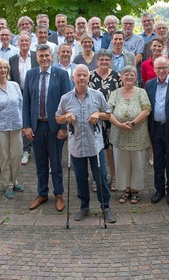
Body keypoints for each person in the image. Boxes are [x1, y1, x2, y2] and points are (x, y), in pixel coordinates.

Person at [56, 64, 116, 222]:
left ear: (88, 77)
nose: (82, 78)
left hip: (95, 145)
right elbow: (58, 117)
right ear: (73, 78)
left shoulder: (97, 95)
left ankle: (106, 206)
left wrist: (98, 113)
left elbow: (108, 114)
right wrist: (66, 116)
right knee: (81, 178)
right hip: (76, 145)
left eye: (84, 75)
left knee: (101, 177)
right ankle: (84, 206)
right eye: (79, 75)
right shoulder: (65, 98)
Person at [22, 44, 71, 211]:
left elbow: (67, 102)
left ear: (52, 57)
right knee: (40, 163)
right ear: (37, 58)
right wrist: (27, 125)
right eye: (41, 56)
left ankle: (59, 194)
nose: (44, 59)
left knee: (56, 163)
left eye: (46, 56)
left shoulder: (62, 75)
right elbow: (26, 101)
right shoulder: (30, 75)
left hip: (55, 127)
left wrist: (64, 126)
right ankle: (42, 193)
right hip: (36, 127)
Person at [107, 66, 151, 204]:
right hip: (119, 134)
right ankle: (125, 189)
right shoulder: (114, 93)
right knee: (121, 163)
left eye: (132, 75)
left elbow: (147, 110)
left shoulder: (141, 92)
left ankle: (135, 190)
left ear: (136, 77)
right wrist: (119, 125)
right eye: (126, 74)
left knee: (137, 163)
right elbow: (108, 112)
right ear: (121, 77)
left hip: (137, 134)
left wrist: (132, 123)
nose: (129, 77)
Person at [146, 57, 169, 206]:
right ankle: (159, 189)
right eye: (158, 68)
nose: (161, 71)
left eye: (164, 68)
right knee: (158, 161)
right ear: (154, 70)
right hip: (155, 128)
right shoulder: (149, 85)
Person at [0, 59, 25, 199]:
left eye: (5, 68)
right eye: (0, 68)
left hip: (16, 126)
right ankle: (8, 184)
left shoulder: (15, 86)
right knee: (4, 157)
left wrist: (23, 124)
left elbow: (21, 105)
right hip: (0, 128)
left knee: (17, 155)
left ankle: (15, 180)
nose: (3, 70)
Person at [89, 50, 122, 192]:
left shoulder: (117, 77)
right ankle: (97, 179)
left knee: (111, 150)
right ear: (97, 61)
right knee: (95, 150)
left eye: (106, 59)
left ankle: (114, 177)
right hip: (94, 118)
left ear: (110, 61)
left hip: (111, 119)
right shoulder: (90, 76)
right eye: (101, 59)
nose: (104, 62)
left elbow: (121, 96)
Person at [9, 32, 38, 166]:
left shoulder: (36, 57)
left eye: (26, 41)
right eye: (21, 41)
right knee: (23, 120)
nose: (24, 43)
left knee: (35, 118)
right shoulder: (12, 59)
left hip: (35, 91)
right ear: (17, 43)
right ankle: (26, 150)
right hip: (19, 92)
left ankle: (37, 147)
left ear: (30, 42)